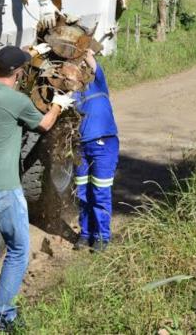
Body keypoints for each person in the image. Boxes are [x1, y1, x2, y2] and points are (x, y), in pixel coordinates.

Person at [0, 45, 73, 331]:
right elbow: (45, 124)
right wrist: (60, 103)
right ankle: (4, 317)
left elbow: (4, 68)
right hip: (1, 190)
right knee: (19, 249)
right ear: (19, 73)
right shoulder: (17, 101)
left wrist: (26, 52)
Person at [72, 47, 119, 251]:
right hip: (80, 148)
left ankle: (102, 237)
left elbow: (92, 62)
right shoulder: (69, 94)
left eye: (81, 66)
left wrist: (86, 54)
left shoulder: (98, 83)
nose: (79, 70)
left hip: (104, 145)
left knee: (100, 192)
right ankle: (85, 233)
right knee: (82, 192)